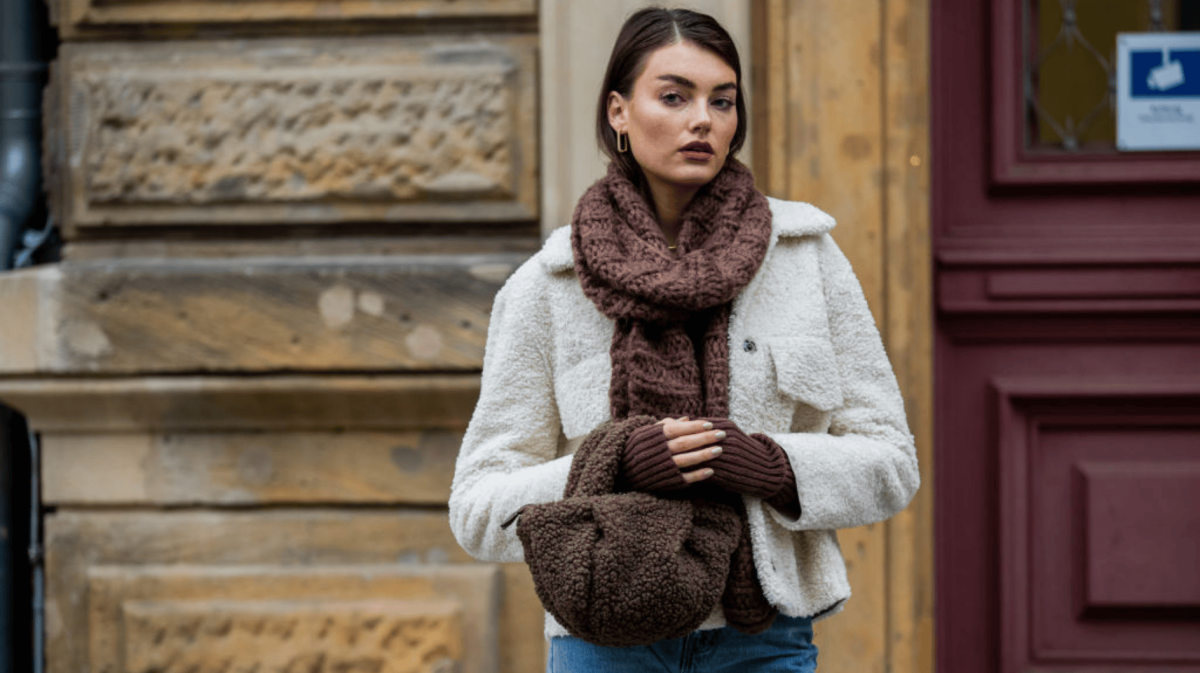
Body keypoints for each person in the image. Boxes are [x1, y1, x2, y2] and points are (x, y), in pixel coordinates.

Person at [449, 7, 919, 672]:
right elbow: (475, 510)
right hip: (603, 643)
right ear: (619, 111)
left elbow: (892, 462)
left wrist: (768, 466)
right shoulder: (546, 287)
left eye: (722, 101)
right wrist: (612, 467)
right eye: (674, 96)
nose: (702, 119)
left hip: (762, 641)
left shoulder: (806, 258)